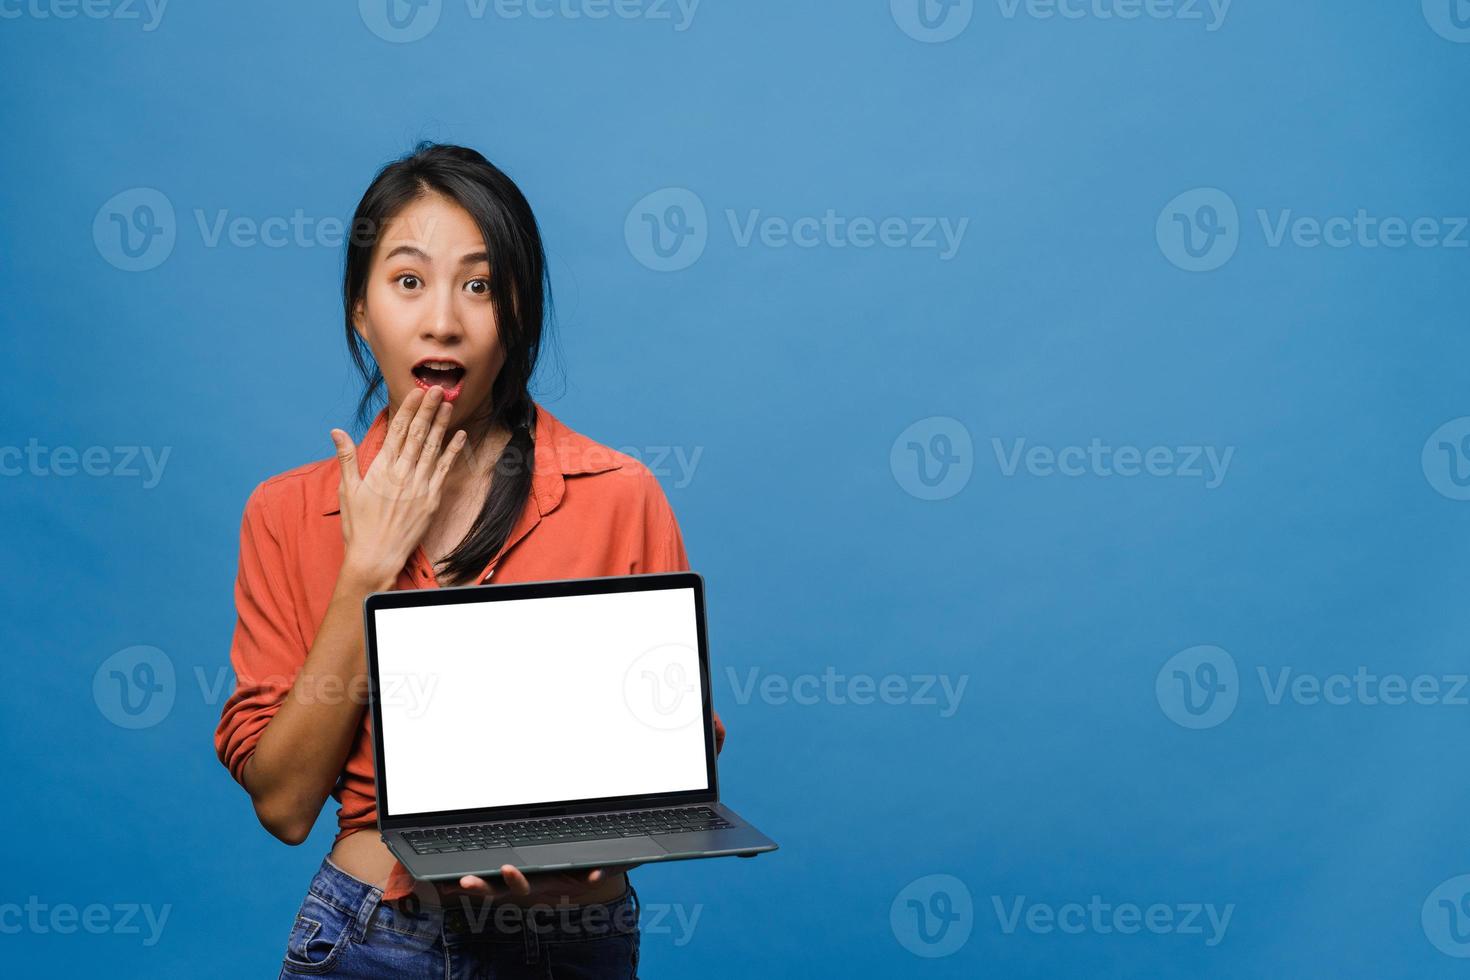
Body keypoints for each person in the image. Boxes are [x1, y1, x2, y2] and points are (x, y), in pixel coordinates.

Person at [213, 142, 725, 978]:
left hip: (572, 941)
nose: (442, 319)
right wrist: (367, 568)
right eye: (407, 281)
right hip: (377, 938)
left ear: (516, 311)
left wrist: (613, 844)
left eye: (479, 285)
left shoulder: (620, 493)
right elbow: (284, 803)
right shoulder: (285, 513)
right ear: (359, 309)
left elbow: (679, 758)